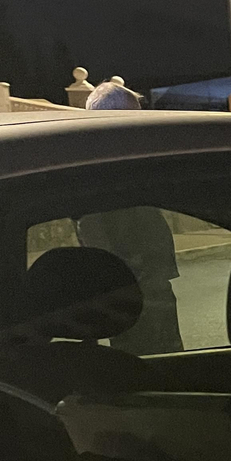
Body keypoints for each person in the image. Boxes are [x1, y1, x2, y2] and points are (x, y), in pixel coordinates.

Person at [79, 87, 183, 353]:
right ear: (120, 117)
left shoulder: (107, 165)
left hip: (142, 285)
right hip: (138, 289)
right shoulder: (108, 173)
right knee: (156, 363)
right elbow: (94, 232)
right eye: (136, 114)